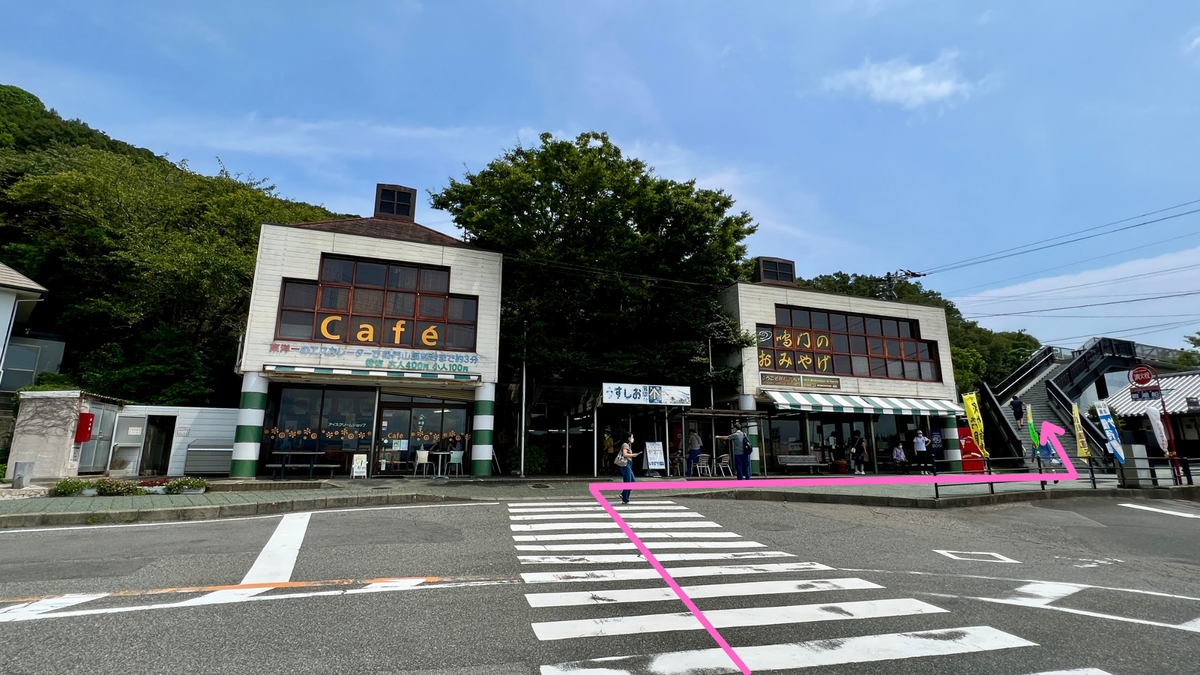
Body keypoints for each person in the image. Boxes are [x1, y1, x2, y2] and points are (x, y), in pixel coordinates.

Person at [615, 431, 640, 504]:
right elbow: (625, 454)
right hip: (626, 464)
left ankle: (623, 494)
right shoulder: (625, 445)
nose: (632, 439)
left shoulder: (627, 445)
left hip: (628, 464)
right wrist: (633, 455)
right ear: (628, 438)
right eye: (632, 437)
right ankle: (625, 499)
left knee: (632, 481)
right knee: (628, 481)